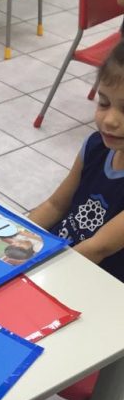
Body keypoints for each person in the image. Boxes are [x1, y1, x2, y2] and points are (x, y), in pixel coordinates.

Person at [28, 40, 124, 284]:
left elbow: (97, 248)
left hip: (92, 281)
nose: (110, 120)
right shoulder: (95, 146)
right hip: (56, 256)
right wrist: (15, 237)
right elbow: (54, 206)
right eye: (104, 103)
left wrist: (32, 276)